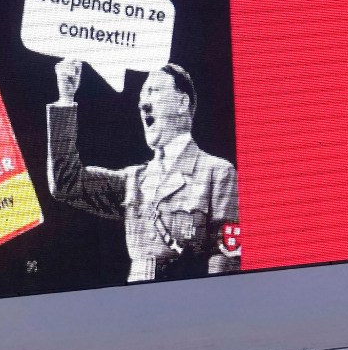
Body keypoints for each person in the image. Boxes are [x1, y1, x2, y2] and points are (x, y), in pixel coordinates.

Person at [47, 58, 240, 282]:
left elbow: (226, 257)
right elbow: (66, 184)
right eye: (142, 95)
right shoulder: (134, 180)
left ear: (182, 103)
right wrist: (66, 97)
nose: (143, 104)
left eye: (153, 91)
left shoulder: (217, 173)